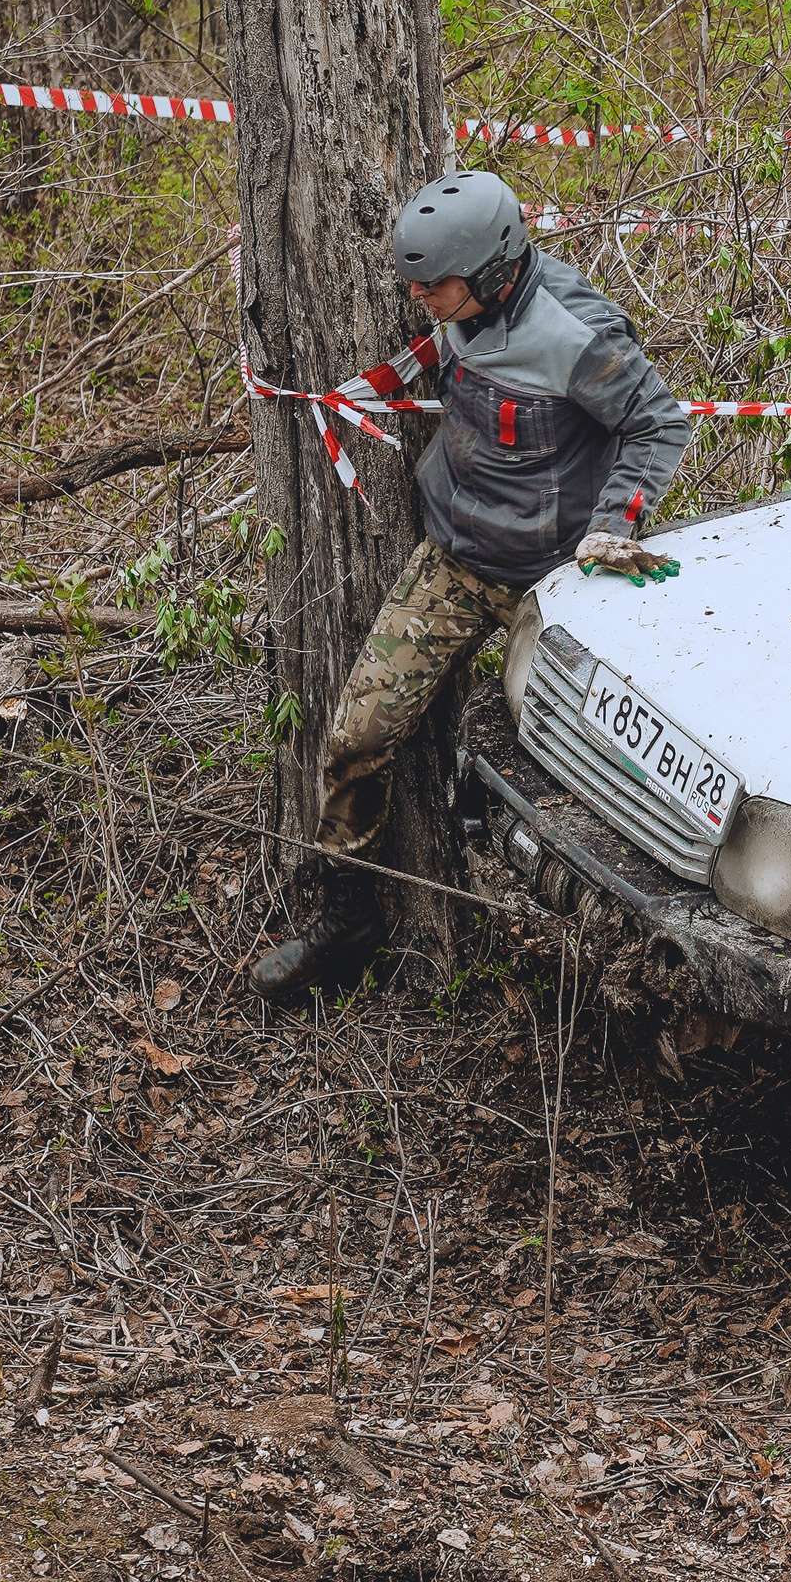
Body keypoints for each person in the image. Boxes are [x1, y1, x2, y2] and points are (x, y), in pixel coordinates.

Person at [253, 170, 692, 1003]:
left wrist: (616, 524)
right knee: (354, 737)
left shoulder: (575, 331)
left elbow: (658, 422)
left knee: (592, 781)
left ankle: (619, 962)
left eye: (433, 285)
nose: (417, 300)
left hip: (557, 585)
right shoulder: (457, 306)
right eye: (413, 284)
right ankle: (347, 916)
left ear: (492, 271)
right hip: (455, 561)